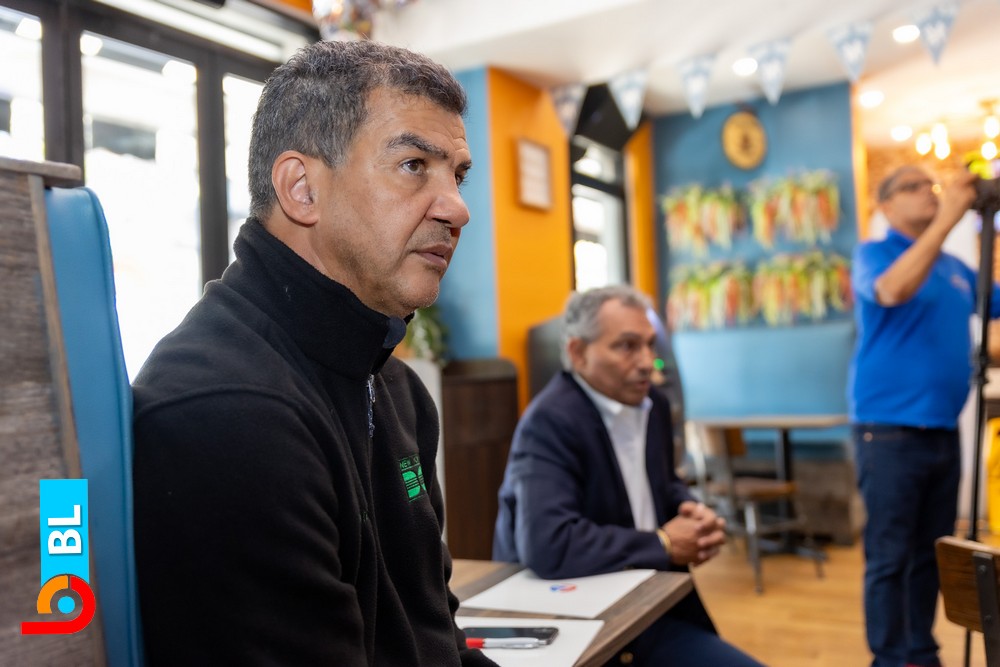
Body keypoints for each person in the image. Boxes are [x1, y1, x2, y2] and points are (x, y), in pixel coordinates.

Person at [131, 40, 497, 666]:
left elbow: (436, 640)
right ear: (301, 189)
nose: (458, 209)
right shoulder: (227, 411)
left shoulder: (397, 389)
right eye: (414, 165)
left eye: (456, 175)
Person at [493, 285, 764, 667]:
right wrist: (665, 543)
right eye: (627, 346)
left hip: (648, 603)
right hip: (573, 619)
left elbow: (662, 483)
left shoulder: (654, 406)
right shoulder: (549, 422)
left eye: (650, 345)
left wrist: (690, 509)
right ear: (578, 352)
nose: (647, 362)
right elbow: (550, 543)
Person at [849, 165, 996, 667]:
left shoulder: (955, 268)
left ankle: (919, 650)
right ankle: (890, 658)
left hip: (942, 429)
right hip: (888, 431)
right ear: (886, 205)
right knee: (889, 556)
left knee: (929, 554)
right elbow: (891, 291)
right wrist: (949, 217)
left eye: (931, 185)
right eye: (912, 186)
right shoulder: (874, 254)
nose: (928, 192)